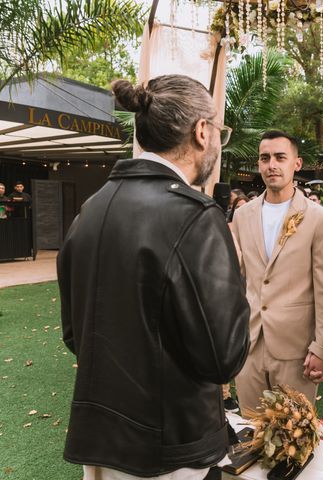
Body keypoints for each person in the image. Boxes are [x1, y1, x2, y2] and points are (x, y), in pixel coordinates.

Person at [57, 75, 250, 480]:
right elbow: (223, 356)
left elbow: (76, 335)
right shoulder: (194, 214)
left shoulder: (90, 209)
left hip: (105, 440)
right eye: (219, 131)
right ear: (202, 131)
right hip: (172, 450)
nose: (218, 141)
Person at [230, 130, 323, 414]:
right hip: (250, 342)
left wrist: (322, 347)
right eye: (265, 158)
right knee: (251, 432)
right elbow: (239, 277)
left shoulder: (319, 218)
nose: (272, 165)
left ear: (297, 164)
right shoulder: (243, 215)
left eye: (280, 157)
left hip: (297, 348)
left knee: (294, 441)